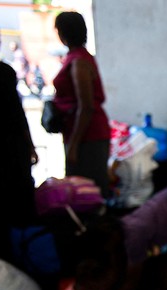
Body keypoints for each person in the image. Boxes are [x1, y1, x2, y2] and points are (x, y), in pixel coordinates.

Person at [0, 15, 38, 261]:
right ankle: (19, 262)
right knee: (14, 214)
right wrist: (30, 146)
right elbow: (16, 115)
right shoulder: (2, 72)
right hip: (7, 154)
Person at [52, 11, 112, 198]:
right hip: (84, 133)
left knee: (86, 191)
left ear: (62, 33)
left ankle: (95, 227)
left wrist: (74, 144)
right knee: (85, 189)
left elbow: (86, 106)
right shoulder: (77, 57)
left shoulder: (79, 61)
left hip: (88, 136)